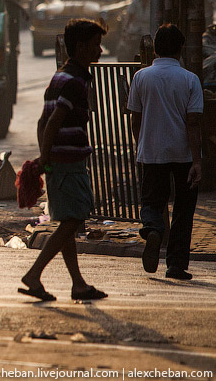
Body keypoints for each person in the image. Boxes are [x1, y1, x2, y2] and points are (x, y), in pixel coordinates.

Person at [19, 18, 108, 303]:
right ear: (80, 47)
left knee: (69, 221)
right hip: (68, 162)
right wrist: (46, 159)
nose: (100, 51)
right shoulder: (75, 81)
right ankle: (34, 274)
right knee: (75, 218)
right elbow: (53, 123)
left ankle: (78, 285)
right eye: (95, 45)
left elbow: (41, 122)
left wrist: (46, 156)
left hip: (61, 160)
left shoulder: (60, 76)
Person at [126, 24, 203, 281]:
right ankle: (177, 265)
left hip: (152, 151)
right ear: (180, 49)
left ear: (155, 48)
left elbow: (135, 118)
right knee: (183, 209)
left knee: (152, 201)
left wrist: (142, 144)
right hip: (183, 153)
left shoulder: (141, 77)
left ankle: (153, 230)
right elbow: (193, 123)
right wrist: (197, 160)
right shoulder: (190, 80)